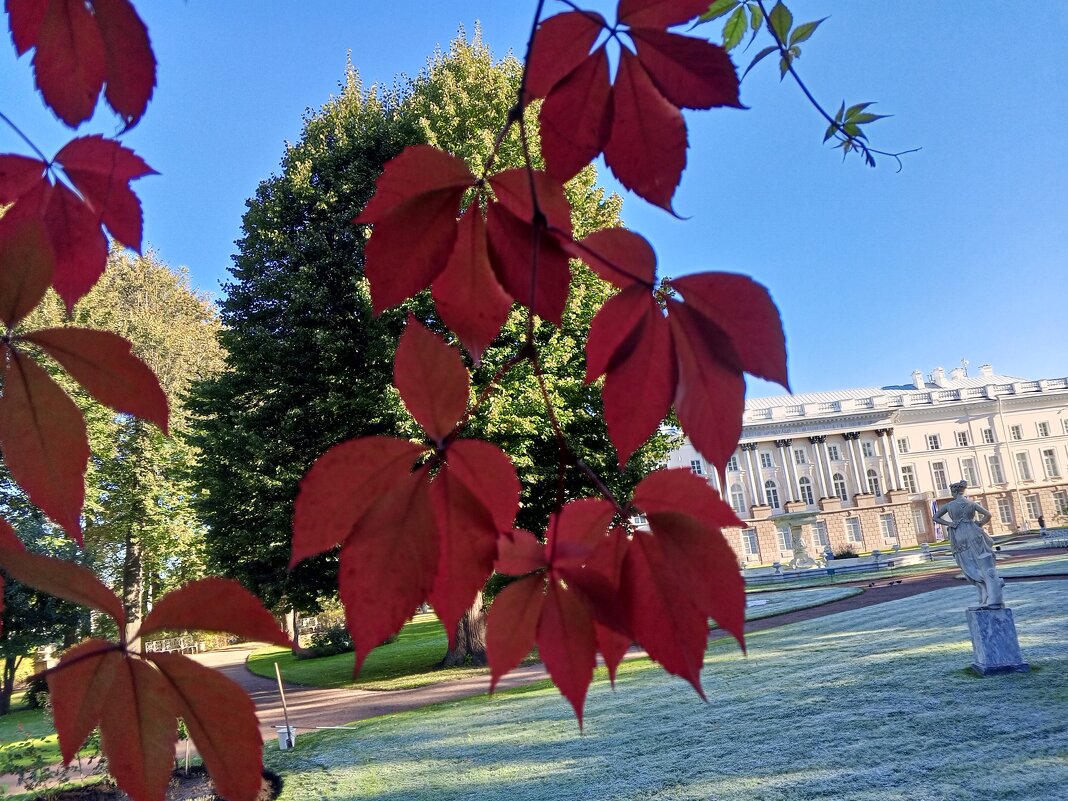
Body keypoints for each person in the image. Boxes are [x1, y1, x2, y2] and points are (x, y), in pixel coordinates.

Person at [932, 480, 1004, 607]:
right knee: (980, 562)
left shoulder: (950, 505)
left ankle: (985, 589)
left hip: (959, 534)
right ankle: (987, 590)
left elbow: (935, 517)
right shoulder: (971, 503)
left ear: (954, 492)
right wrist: (979, 524)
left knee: (967, 564)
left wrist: (949, 524)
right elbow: (988, 515)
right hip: (974, 532)